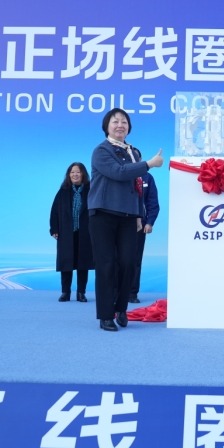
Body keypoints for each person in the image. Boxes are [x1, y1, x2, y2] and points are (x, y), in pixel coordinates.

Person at [89, 108, 164, 332]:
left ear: (129, 127)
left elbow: (137, 186)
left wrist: (139, 214)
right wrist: (149, 164)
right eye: (115, 121)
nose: (120, 125)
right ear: (106, 126)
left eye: (124, 122)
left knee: (128, 262)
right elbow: (119, 172)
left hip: (129, 216)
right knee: (106, 264)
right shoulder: (101, 151)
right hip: (103, 213)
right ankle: (105, 315)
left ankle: (121, 308)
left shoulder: (133, 152)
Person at [50, 162, 94, 302]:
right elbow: (55, 211)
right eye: (72, 172)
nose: (75, 174)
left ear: (83, 174)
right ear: (69, 175)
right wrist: (54, 229)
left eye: (78, 172)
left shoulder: (90, 190)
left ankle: (81, 293)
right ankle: (65, 292)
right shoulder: (63, 191)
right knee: (66, 263)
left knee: (83, 263)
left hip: (85, 232)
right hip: (66, 232)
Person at [129, 147, 160, 304]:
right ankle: (114, 292)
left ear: (141, 160)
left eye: (136, 158)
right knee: (116, 259)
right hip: (119, 223)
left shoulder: (147, 178)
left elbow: (152, 202)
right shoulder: (120, 176)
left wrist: (149, 222)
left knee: (135, 260)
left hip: (139, 225)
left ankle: (132, 293)